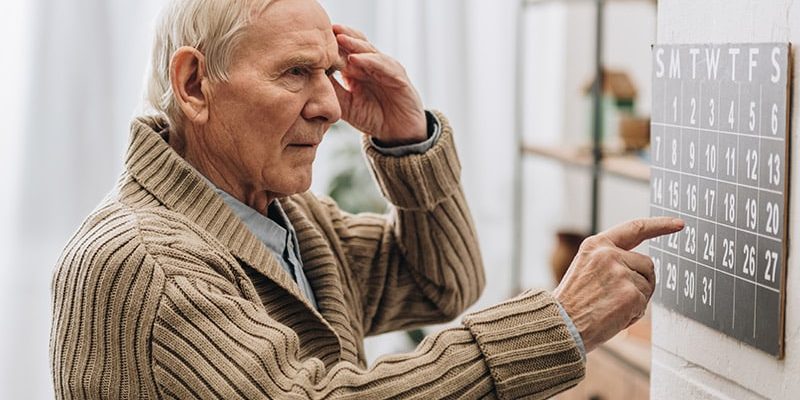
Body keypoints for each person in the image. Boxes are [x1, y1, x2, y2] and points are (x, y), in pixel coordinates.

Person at [49, 0, 684, 398]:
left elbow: (440, 283)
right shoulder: (141, 262)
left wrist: (409, 142)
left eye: (329, 72)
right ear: (193, 83)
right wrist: (560, 323)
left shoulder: (286, 219)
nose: (329, 105)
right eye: (296, 71)